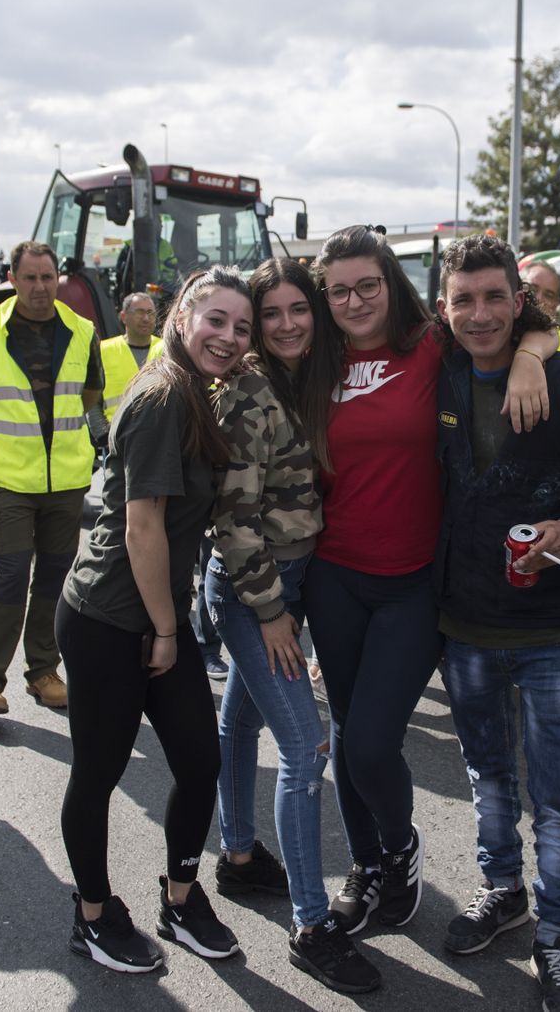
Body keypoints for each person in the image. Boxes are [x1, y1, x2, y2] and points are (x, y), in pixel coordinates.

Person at [302, 225, 555, 936]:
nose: (355, 300)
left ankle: (401, 843)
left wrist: (534, 358)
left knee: (371, 743)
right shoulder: (313, 361)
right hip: (333, 576)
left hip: (413, 582)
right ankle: (371, 865)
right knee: (346, 731)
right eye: (341, 289)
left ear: (392, 284)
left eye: (369, 285)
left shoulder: (429, 345)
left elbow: (525, 322)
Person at [433, 235, 560, 1012]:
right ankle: (503, 893)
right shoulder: (442, 372)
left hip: (553, 631)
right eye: (464, 300)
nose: (480, 314)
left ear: (519, 302)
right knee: (487, 777)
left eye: (496, 297)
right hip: (466, 624)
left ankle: (557, 938)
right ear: (444, 307)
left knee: (556, 795)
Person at [57, 267, 251, 973]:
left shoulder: (194, 387)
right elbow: (143, 528)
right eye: (216, 321)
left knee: (201, 761)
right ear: (182, 316)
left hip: (155, 616)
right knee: (99, 773)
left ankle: (179, 897)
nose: (228, 337)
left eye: (242, 327)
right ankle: (92, 914)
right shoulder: (167, 394)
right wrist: (167, 631)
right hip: (113, 620)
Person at [201, 258, 379, 993]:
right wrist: (272, 613)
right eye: (267, 314)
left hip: (299, 579)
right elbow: (233, 521)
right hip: (255, 588)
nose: (284, 324)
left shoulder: (312, 377)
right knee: (305, 750)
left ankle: (240, 856)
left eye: (295, 309)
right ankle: (311, 923)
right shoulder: (246, 394)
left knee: (241, 721)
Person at [0, 241, 104, 720]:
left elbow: (91, 393)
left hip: (65, 481)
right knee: (10, 575)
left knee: (55, 578)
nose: (40, 287)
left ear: (58, 279)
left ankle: (43, 672)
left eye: (47, 277)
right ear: (12, 279)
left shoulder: (81, 331)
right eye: (30, 278)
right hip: (9, 479)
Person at [98, 292, 163, 426]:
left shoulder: (167, 348)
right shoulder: (104, 350)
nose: (146, 318)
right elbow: (92, 399)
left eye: (150, 313)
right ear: (123, 316)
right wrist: (102, 435)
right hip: (117, 434)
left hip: (160, 432)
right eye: (139, 312)